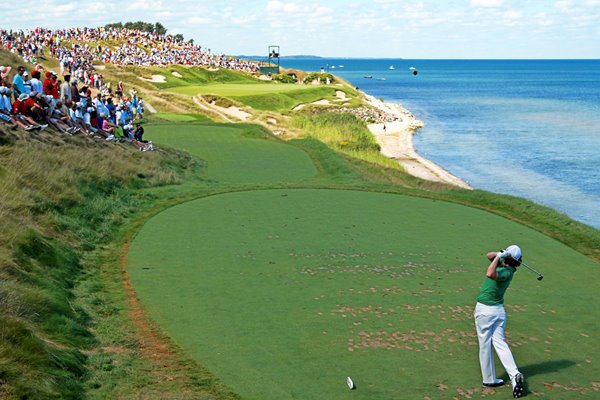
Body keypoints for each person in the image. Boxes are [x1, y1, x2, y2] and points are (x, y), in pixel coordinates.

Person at [474, 245, 525, 398]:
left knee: (485, 345)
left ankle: (489, 379)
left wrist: (498, 257)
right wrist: (500, 254)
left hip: (485, 311)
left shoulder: (504, 272)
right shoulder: (509, 269)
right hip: (497, 312)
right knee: (500, 343)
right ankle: (514, 374)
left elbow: (489, 273)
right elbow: (488, 255)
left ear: (508, 259)